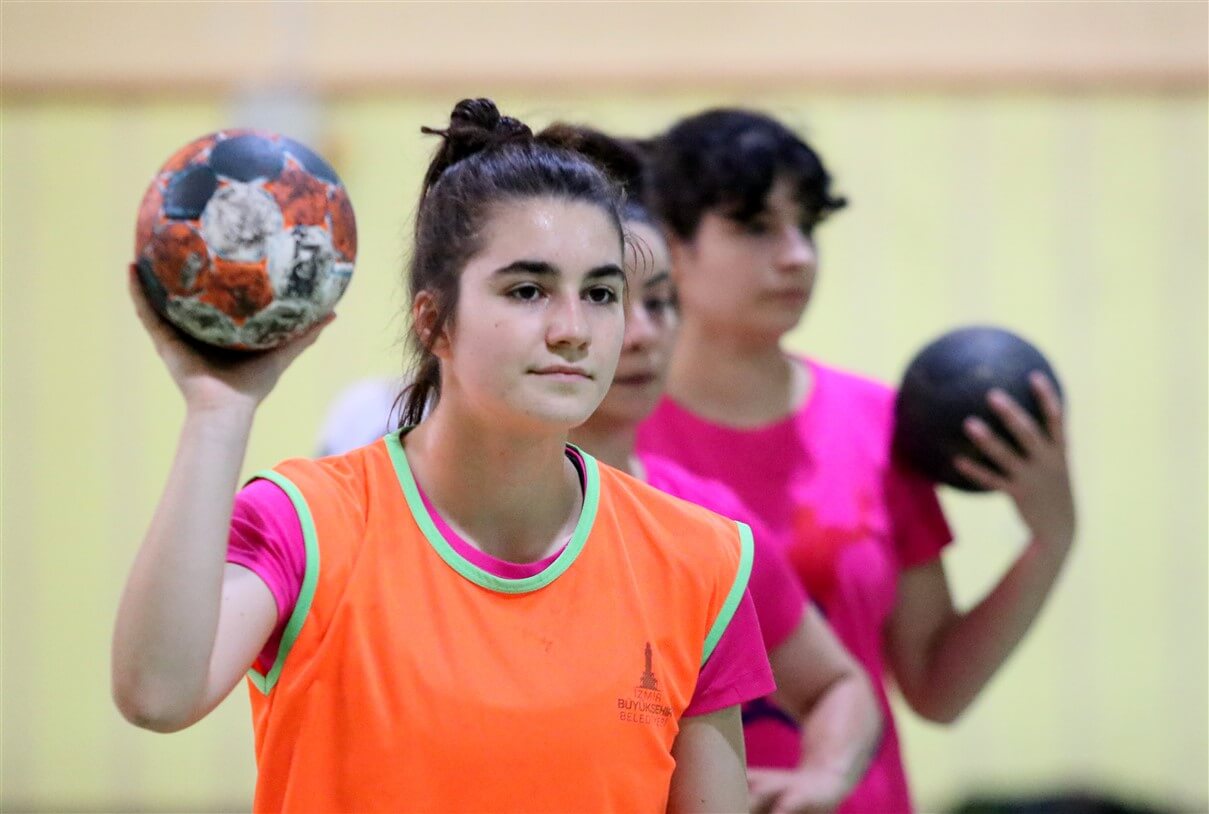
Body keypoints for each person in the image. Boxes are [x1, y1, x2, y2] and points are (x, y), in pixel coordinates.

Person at [112, 98, 774, 813]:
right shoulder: (307, 524)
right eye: (528, 289)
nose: (574, 329)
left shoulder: (700, 561)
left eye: (601, 292)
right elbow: (156, 693)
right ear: (434, 321)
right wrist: (219, 411)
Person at [636, 109, 1077, 814]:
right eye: (754, 227)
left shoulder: (874, 423)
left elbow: (936, 686)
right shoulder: (612, 439)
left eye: (805, 226)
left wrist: (1049, 539)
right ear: (668, 248)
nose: (797, 256)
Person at [539, 123, 883, 813]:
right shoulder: (440, 506)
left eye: (660, 302)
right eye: (607, 298)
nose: (640, 333)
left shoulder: (706, 525)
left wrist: (823, 777)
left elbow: (839, 687)